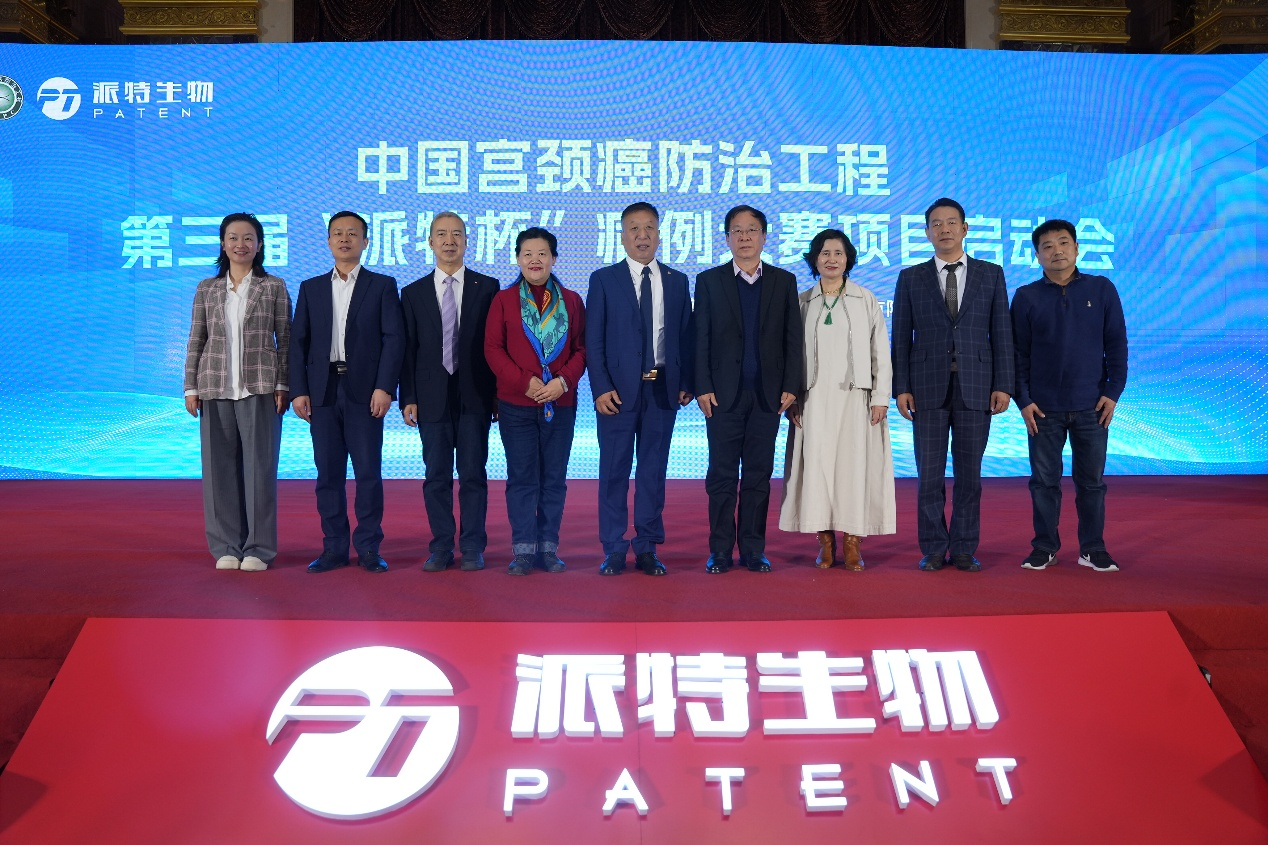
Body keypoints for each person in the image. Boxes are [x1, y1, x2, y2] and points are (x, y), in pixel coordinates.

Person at [891, 198, 1014, 573]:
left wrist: (1004, 384)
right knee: (929, 476)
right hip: (926, 388)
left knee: (969, 476)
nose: (944, 229)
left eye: (951, 222)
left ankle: (963, 548)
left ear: (964, 228)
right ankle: (932, 547)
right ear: (927, 232)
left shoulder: (990, 274)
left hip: (977, 386)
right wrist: (901, 386)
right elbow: (901, 338)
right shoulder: (911, 277)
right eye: (936, 223)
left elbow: (1001, 333)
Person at [290, 211, 404, 574]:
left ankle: (369, 548)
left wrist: (385, 387)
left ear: (365, 242)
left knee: (368, 473)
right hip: (322, 391)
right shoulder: (311, 288)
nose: (344, 239)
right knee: (328, 474)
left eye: (352, 233)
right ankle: (334, 548)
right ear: (328, 242)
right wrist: (298, 390)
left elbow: (393, 339)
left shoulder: (382, 285)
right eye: (337, 233)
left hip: (365, 392)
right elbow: (298, 343)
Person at [1011, 219, 1128, 572]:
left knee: (1091, 483)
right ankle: (1044, 546)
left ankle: (1092, 548)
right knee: (1043, 483)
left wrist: (1113, 392)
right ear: (1037, 255)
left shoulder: (1101, 289)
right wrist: (1023, 399)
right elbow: (1017, 354)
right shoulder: (1026, 296)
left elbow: (1116, 344)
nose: (1056, 251)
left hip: (1093, 405)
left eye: (1064, 243)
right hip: (1042, 409)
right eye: (1047, 246)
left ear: (1076, 248)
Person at [586, 202, 694, 577]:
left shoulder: (677, 281)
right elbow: (593, 339)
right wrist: (600, 388)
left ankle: (647, 546)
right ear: (622, 236)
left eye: (649, 228)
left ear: (660, 235)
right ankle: (614, 548)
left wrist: (687, 383)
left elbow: (686, 336)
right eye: (634, 228)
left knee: (653, 472)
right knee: (613, 471)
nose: (642, 235)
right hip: (617, 393)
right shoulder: (604, 279)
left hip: (662, 390)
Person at [694, 205, 803, 574]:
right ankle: (720, 551)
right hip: (722, 397)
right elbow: (700, 337)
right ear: (727, 238)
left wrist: (791, 385)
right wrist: (702, 386)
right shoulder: (709, 281)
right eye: (737, 231)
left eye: (751, 230)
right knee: (721, 477)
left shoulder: (783, 281)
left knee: (758, 476)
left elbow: (792, 339)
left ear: (764, 237)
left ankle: (754, 550)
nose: (744, 237)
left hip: (767, 397)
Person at [780, 229, 895, 570]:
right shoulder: (802, 301)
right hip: (813, 400)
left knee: (853, 469)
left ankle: (853, 541)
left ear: (848, 260)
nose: (832, 259)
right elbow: (789, 354)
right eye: (825, 253)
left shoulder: (865, 298)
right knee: (817, 469)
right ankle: (825, 541)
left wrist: (881, 397)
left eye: (839, 253)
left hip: (855, 399)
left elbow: (880, 352)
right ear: (814, 259)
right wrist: (792, 398)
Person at [183, 212, 291, 572]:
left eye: (248, 238)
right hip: (214, 388)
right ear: (222, 244)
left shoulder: (273, 286)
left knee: (259, 470)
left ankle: (258, 548)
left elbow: (286, 340)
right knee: (218, 472)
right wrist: (191, 386)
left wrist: (283, 384)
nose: (240, 244)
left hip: (260, 387)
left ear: (259, 245)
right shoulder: (207, 288)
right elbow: (196, 339)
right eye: (233, 237)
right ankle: (226, 546)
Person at [484, 227, 586, 576]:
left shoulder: (571, 300)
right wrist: (523, 382)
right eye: (527, 253)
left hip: (561, 403)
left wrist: (562, 382)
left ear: (554, 258)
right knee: (522, 478)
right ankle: (524, 550)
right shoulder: (503, 300)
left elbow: (582, 349)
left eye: (542, 253)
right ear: (517, 259)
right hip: (516, 404)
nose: (535, 260)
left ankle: (549, 548)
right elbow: (492, 349)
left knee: (554, 478)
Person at [400, 212, 498, 573]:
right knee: (436, 476)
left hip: (475, 394)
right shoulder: (412, 293)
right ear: (430, 242)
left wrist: (496, 396)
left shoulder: (487, 287)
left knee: (473, 474)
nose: (449, 241)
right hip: (431, 397)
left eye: (457, 234)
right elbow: (408, 350)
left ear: (467, 241)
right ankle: (441, 546)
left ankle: (472, 546)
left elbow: (495, 346)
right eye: (441, 234)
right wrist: (408, 396)